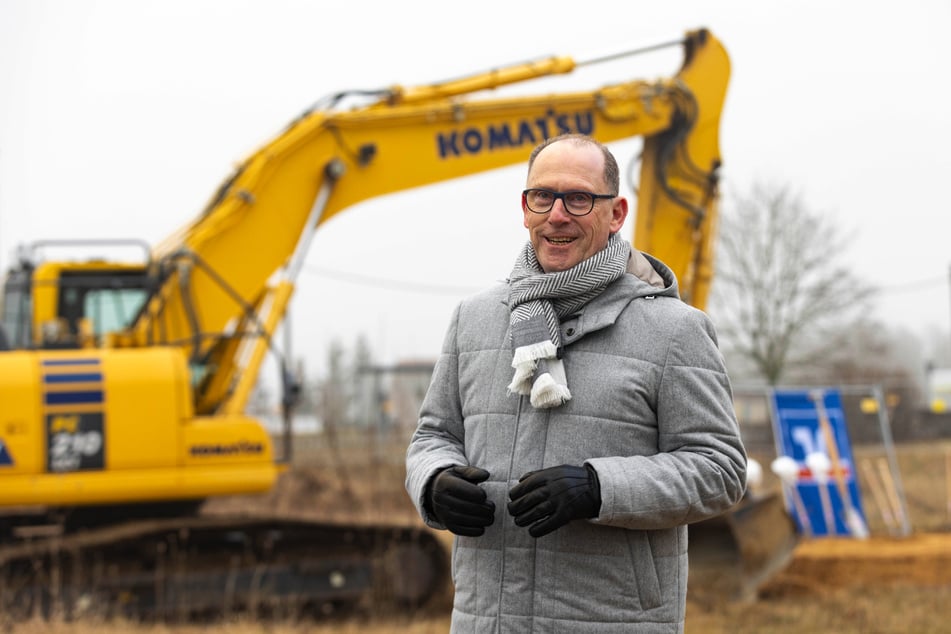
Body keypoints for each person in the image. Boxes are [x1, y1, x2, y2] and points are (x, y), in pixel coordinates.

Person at [405, 133, 747, 633]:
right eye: (542, 196)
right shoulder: (473, 320)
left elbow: (720, 470)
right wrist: (434, 482)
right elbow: (432, 436)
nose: (557, 214)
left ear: (616, 213)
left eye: (579, 198)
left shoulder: (675, 330)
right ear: (525, 209)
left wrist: (598, 488)